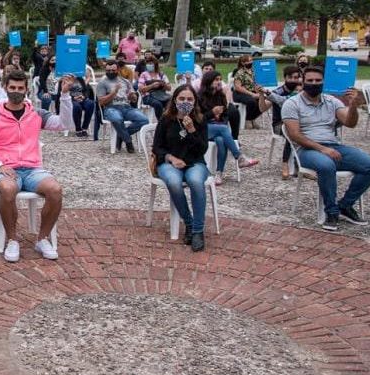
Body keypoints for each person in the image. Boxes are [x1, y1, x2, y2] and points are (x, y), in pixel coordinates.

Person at [0, 69, 73, 262]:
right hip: (7, 169)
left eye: (20, 88)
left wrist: (64, 95)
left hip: (33, 169)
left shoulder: (36, 114)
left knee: (55, 190)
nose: (16, 91)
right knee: (7, 189)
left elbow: (65, 124)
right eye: (12, 87)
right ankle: (12, 239)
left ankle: (42, 238)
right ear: (5, 87)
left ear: (26, 90)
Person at [282, 65, 370, 231]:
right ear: (303, 82)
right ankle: (331, 212)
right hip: (307, 150)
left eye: (318, 81)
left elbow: (350, 123)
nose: (314, 83)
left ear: (323, 82)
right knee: (326, 165)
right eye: (310, 81)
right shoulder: (292, 104)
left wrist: (354, 106)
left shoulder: (331, 101)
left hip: (334, 146)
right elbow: (294, 135)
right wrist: (322, 149)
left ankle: (345, 205)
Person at [151, 85, 210, 251]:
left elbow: (202, 149)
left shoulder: (200, 120)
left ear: (195, 101)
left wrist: (192, 130)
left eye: (190, 99)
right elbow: (157, 147)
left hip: (194, 162)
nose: (186, 102)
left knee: (196, 181)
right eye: (182, 99)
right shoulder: (166, 119)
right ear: (175, 100)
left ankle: (198, 231)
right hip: (170, 162)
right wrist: (171, 158)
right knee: (173, 181)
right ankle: (189, 223)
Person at [198, 71, 259, 184]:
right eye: (216, 79)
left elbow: (226, 114)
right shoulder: (199, 97)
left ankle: (218, 174)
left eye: (220, 79)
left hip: (218, 128)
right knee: (223, 129)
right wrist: (212, 113)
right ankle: (239, 157)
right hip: (203, 129)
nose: (219, 82)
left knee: (221, 140)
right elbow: (198, 119)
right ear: (209, 81)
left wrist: (221, 117)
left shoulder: (220, 95)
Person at [96, 59, 148, 153]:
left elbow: (134, 99)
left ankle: (121, 136)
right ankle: (128, 142)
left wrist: (132, 96)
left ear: (118, 69)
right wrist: (114, 92)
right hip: (111, 108)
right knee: (117, 119)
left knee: (144, 120)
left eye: (113, 70)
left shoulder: (125, 81)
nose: (110, 72)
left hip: (126, 107)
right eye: (108, 71)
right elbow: (101, 102)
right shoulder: (102, 83)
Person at [264, 65, 303, 179]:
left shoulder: (302, 90)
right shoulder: (279, 92)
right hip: (279, 124)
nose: (294, 80)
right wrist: (262, 95)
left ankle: (302, 165)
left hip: (298, 123)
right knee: (291, 132)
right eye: (291, 77)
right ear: (285, 78)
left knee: (306, 131)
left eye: (296, 77)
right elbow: (263, 107)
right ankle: (285, 164)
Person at [231, 55, 270, 126]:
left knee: (264, 100)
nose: (250, 62)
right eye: (248, 61)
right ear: (243, 63)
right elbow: (238, 87)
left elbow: (255, 84)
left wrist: (259, 92)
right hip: (239, 93)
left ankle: (252, 118)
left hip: (252, 92)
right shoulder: (239, 73)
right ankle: (247, 119)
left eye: (251, 60)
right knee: (251, 101)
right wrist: (252, 94)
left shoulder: (253, 71)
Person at [137, 53, 171, 120]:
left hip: (161, 95)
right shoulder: (143, 74)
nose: (149, 65)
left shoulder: (161, 74)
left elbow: (169, 88)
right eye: (148, 64)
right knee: (158, 104)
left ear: (155, 65)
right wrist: (152, 86)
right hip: (148, 96)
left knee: (171, 101)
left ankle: (168, 119)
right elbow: (141, 89)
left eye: (151, 64)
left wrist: (163, 84)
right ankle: (161, 121)